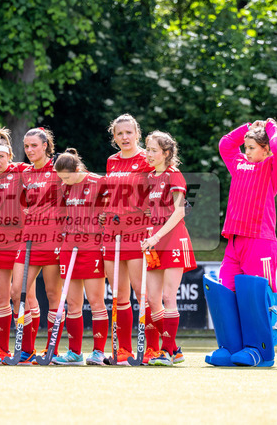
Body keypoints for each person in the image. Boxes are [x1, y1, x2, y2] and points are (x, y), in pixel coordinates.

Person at [205, 119, 277, 367]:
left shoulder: (273, 166)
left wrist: (272, 127)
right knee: (227, 294)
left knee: (255, 296)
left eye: (252, 147)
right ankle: (230, 348)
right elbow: (225, 144)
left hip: (260, 241)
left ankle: (259, 350)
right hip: (234, 242)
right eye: (246, 146)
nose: (246, 151)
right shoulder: (239, 164)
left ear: (265, 149)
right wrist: (247, 127)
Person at [6, 127, 65, 365]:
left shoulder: (60, 168)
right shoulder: (25, 172)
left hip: (53, 239)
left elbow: (83, 187)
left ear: (45, 146)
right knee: (16, 291)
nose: (29, 150)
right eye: (26, 146)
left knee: (53, 295)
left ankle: (52, 350)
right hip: (28, 238)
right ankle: (26, 350)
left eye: (34, 146)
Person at [102, 114, 157, 365]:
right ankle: (122, 351)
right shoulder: (111, 161)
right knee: (119, 294)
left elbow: (160, 190)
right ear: (114, 137)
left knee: (141, 291)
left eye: (129, 132)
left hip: (138, 234)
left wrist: (152, 209)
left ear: (137, 133)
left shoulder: (147, 159)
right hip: (113, 235)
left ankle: (151, 349)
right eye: (119, 134)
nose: (124, 137)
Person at [140, 131, 196, 366]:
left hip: (173, 240)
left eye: (153, 150)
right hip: (154, 242)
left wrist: (157, 235)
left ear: (166, 153)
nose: (148, 154)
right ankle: (174, 349)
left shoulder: (174, 175)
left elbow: (181, 211)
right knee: (153, 299)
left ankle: (165, 351)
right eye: (147, 149)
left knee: (167, 296)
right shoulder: (150, 176)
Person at [52, 149, 110, 365]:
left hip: (92, 247)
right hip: (68, 247)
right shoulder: (63, 186)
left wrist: (106, 217)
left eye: (67, 177)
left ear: (78, 170)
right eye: (61, 178)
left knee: (96, 301)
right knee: (73, 303)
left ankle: (98, 352)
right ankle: (74, 353)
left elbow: (115, 207)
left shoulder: (98, 182)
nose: (64, 182)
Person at [0, 128, 30, 362]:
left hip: (21, 238)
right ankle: (1, 349)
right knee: (0, 297)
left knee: (20, 295)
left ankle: (27, 349)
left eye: (1, 156)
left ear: (10, 154)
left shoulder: (21, 171)